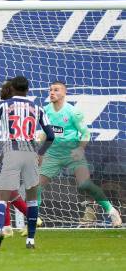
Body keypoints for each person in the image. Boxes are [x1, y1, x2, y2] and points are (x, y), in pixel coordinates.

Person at [0, 76, 54, 250]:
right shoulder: (38, 108)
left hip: (12, 152)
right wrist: (41, 153)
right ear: (27, 90)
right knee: (31, 200)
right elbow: (51, 135)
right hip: (31, 154)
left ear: (12, 88)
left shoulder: (2, 106)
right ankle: (30, 240)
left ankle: (1, 228)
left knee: (3, 196)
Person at [37, 81, 122, 227]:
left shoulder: (73, 112)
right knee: (36, 186)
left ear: (64, 93)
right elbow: (45, 133)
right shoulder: (45, 111)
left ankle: (112, 211)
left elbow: (85, 133)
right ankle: (34, 218)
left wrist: (80, 149)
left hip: (73, 153)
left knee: (85, 184)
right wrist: (40, 152)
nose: (52, 92)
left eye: (56, 90)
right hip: (53, 154)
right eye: (50, 90)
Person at [0, 79, 42, 238]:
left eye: (3, 88)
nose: (0, 91)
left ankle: (7, 227)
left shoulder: (7, 107)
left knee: (4, 191)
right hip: (20, 152)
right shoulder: (16, 107)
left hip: (20, 153)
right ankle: (10, 226)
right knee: (9, 191)